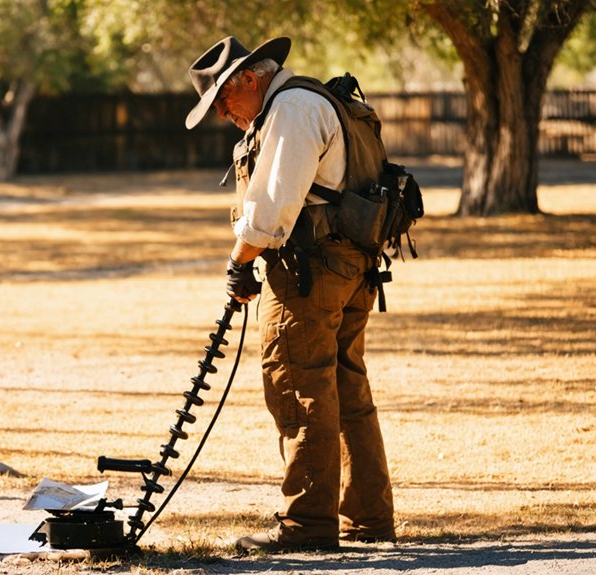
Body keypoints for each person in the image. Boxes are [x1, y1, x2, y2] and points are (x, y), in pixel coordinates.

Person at [184, 36, 396, 553]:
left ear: (249, 79)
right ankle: (367, 516)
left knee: (299, 387)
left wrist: (238, 262)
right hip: (349, 266)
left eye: (223, 100)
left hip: (310, 273)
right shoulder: (308, 100)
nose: (223, 115)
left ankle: (308, 524)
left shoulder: (291, 109)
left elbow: (272, 209)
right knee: (345, 389)